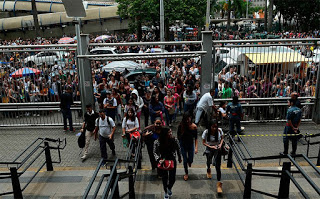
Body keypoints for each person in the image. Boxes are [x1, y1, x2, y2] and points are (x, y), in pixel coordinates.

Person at [154, 128, 182, 199]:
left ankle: (169, 188)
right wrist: (158, 160)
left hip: (172, 160)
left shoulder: (174, 140)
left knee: (172, 178)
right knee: (165, 178)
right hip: (163, 161)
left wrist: (179, 157)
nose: (171, 133)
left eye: (171, 132)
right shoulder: (157, 142)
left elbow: (178, 149)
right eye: (169, 132)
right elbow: (155, 152)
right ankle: (166, 192)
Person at [202, 120, 224, 194]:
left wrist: (220, 145)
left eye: (215, 127)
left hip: (217, 149)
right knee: (209, 161)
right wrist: (211, 146)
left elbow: (222, 138)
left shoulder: (220, 130)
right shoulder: (206, 132)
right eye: (213, 127)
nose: (214, 128)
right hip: (209, 148)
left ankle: (219, 184)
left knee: (218, 166)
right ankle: (208, 169)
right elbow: (203, 142)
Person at [177, 113, 198, 181]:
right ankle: (186, 173)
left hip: (190, 144)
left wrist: (196, 148)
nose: (188, 120)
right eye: (186, 119)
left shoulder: (194, 126)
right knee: (185, 160)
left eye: (189, 118)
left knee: (191, 159)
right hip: (183, 144)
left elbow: (196, 138)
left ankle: (190, 162)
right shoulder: (181, 126)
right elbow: (178, 136)